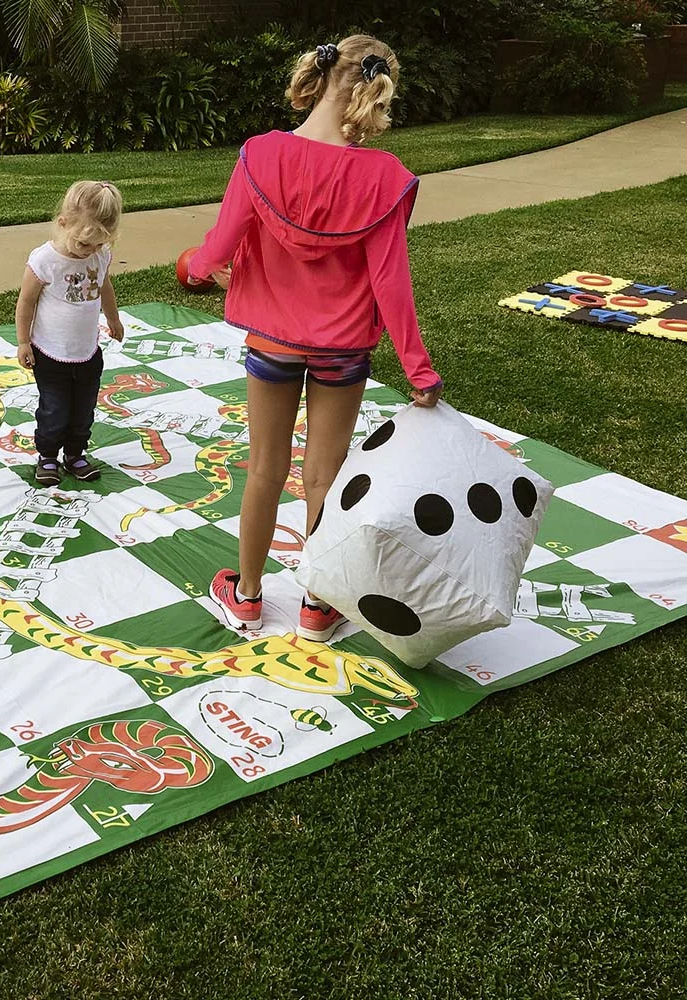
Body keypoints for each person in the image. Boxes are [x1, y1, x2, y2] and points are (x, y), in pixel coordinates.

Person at [188, 35, 443, 642]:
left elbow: (215, 253)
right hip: (343, 351)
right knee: (324, 478)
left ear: (322, 77)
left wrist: (197, 265)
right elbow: (391, 281)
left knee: (264, 470)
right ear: (372, 92)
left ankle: (246, 596)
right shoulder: (384, 177)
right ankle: (316, 606)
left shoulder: (260, 155)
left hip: (272, 343)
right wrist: (418, 369)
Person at [15, 180, 124, 486]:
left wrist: (113, 319)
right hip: (50, 354)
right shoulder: (44, 260)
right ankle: (48, 456)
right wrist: (23, 341)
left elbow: (104, 286)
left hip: (87, 353)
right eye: (83, 243)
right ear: (63, 225)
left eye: (99, 244)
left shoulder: (99, 256)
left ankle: (75, 454)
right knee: (54, 410)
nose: (90, 251)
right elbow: (26, 301)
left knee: (83, 410)